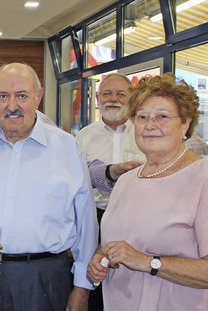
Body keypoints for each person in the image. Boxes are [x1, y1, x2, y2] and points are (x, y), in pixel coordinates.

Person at [0, 63, 98, 311]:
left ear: (38, 97)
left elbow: (86, 223)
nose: (12, 106)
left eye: (22, 96)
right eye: (3, 96)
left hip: (45, 278)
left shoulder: (67, 148)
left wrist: (82, 288)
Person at [87, 73, 208, 310]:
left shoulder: (202, 178)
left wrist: (147, 262)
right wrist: (98, 259)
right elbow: (116, 242)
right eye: (142, 117)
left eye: (162, 116)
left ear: (185, 123)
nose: (150, 125)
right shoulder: (128, 180)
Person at [75, 73, 143, 310]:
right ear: (97, 97)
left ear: (131, 97)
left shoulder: (144, 132)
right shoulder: (83, 136)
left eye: (120, 94)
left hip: (137, 219)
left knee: (130, 279)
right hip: (95, 217)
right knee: (94, 278)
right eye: (107, 93)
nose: (113, 99)